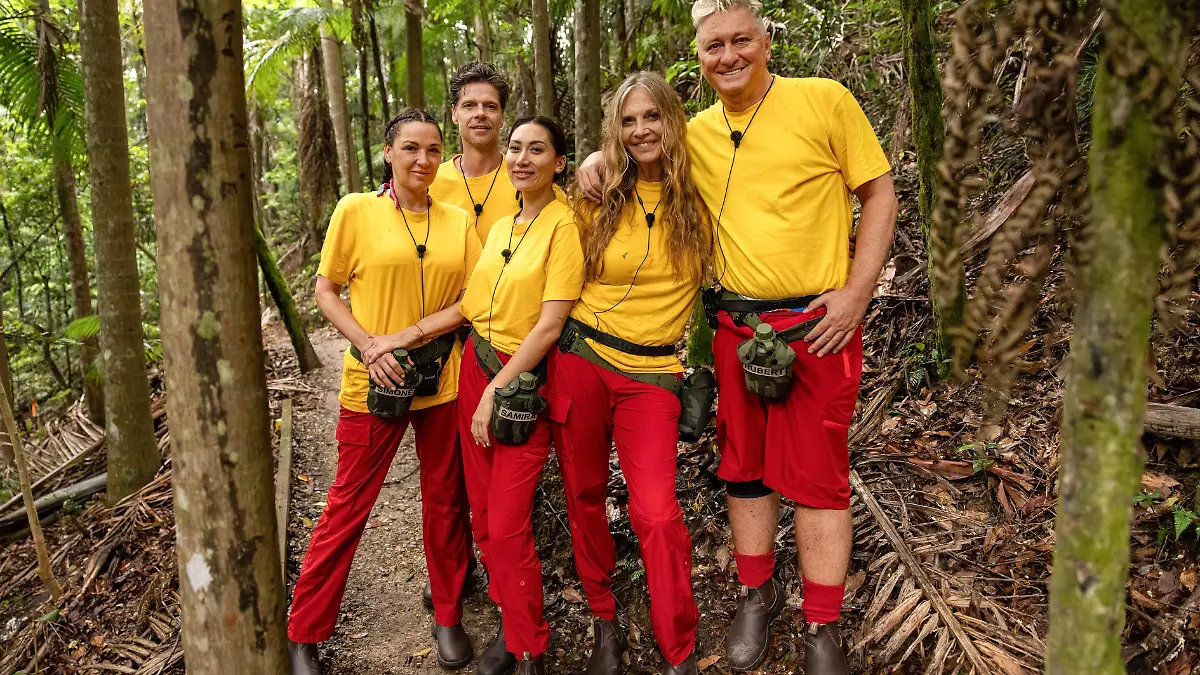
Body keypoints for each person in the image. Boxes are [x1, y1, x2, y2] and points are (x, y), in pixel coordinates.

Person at [578, 1, 898, 672]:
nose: (728, 55)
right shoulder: (690, 132)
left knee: (817, 481)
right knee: (745, 470)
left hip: (818, 325)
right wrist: (588, 161)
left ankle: (821, 625)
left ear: (766, 41)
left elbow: (880, 192)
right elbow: (631, 148)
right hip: (732, 325)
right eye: (714, 45)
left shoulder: (824, 101)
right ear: (698, 56)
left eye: (741, 40)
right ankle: (758, 592)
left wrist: (858, 290)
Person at [288, 109, 482, 675]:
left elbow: (472, 298)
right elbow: (327, 291)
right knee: (348, 504)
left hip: (440, 376)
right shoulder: (357, 210)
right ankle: (305, 632)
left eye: (432, 150)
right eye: (410, 149)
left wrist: (414, 334)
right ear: (389, 153)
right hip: (372, 377)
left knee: (445, 502)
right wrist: (372, 346)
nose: (422, 160)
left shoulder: (456, 219)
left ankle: (448, 615)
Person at [550, 72, 709, 675]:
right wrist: (591, 161)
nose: (641, 130)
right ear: (615, 130)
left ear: (673, 121)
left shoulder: (704, 189)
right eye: (628, 120)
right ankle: (604, 619)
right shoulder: (595, 194)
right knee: (584, 493)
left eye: (653, 117)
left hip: (654, 374)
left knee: (656, 512)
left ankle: (680, 650)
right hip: (582, 361)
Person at [457, 116, 585, 675]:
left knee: (508, 524)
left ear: (559, 162)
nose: (521, 158)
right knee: (483, 518)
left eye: (537, 150)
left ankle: (530, 648)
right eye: (514, 148)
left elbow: (550, 325)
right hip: (473, 370)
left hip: (518, 388)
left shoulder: (566, 226)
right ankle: (511, 631)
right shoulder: (505, 223)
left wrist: (495, 389)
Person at [430, 61, 521, 245]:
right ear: (454, 114)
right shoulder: (429, 182)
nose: (480, 113)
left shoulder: (524, 178)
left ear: (502, 117)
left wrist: (595, 162)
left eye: (490, 106)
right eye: (469, 105)